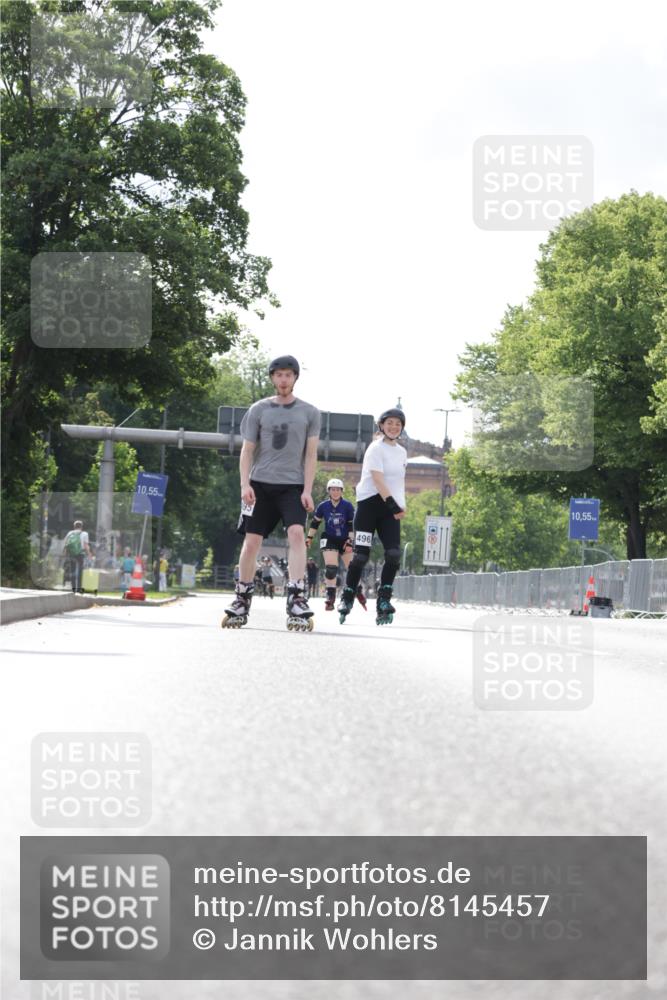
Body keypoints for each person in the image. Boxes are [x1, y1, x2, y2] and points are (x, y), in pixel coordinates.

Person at [221, 355, 321, 629]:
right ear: (272, 378)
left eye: (288, 375)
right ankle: (242, 597)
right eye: (279, 375)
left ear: (295, 378)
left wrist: (308, 490)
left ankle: (297, 597)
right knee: (252, 541)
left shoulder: (310, 413)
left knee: (297, 534)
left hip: (293, 486)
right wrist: (245, 485)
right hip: (260, 485)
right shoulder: (258, 409)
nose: (283, 379)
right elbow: (247, 450)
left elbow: (311, 454)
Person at [338, 408, 407, 625]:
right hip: (369, 506)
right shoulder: (375, 449)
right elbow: (378, 480)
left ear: (402, 427)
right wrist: (392, 504)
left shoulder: (402, 452)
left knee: (394, 554)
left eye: (398, 424)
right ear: (381, 425)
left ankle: (384, 600)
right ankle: (347, 596)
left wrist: (400, 506)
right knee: (360, 556)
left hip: (389, 510)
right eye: (390, 423)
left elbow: (397, 483)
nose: (393, 427)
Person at [306, 478, 367, 611]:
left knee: (352, 569)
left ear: (341, 491)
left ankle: (358, 590)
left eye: (338, 490)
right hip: (330, 539)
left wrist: (350, 541)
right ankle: (330, 595)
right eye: (332, 489)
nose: (335, 492)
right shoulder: (323, 506)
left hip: (345, 539)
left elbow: (352, 525)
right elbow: (315, 523)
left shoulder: (347, 506)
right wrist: (309, 537)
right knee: (331, 568)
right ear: (329, 491)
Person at [63, 520, 92, 594]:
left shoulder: (70, 533)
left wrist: (65, 553)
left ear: (74, 526)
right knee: (80, 571)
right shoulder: (84, 533)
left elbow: (66, 543)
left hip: (71, 554)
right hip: (80, 554)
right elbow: (86, 545)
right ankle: (79, 589)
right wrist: (89, 554)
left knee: (72, 571)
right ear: (81, 527)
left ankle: (73, 589)